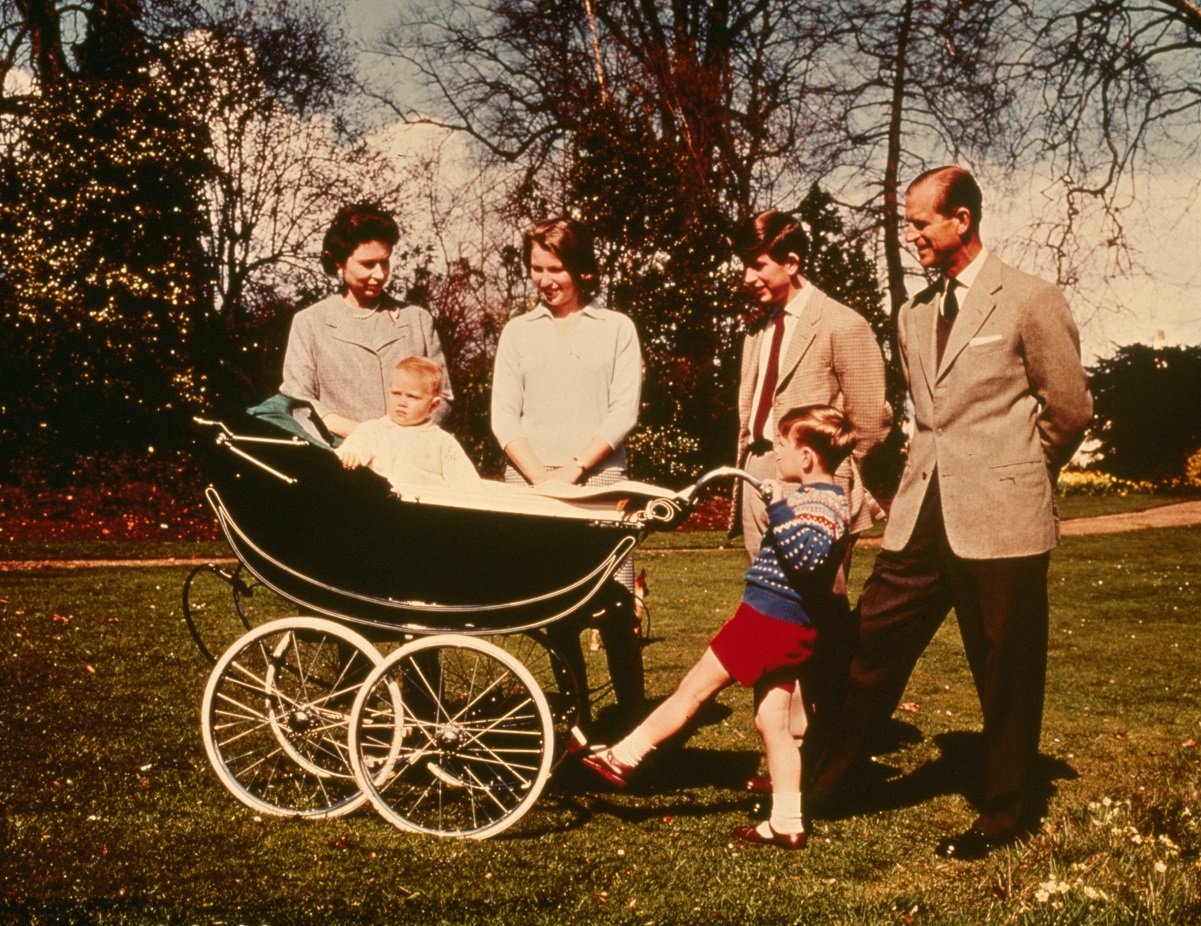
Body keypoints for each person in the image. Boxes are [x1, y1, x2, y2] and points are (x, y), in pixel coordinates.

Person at [805, 166, 1094, 860]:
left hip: (1002, 517)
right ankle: (823, 788)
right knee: (868, 643)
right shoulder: (912, 314)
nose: (911, 237)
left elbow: (1069, 410)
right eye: (908, 225)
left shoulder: (1028, 299)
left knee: (1004, 667)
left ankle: (1003, 815)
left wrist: (1017, 473)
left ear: (961, 219)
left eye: (920, 223)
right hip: (920, 514)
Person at [580, 405, 855, 850]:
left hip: (766, 623)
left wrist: (778, 508)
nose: (776, 453)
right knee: (774, 724)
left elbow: (808, 558)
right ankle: (787, 821)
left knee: (691, 692)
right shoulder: (823, 498)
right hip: (788, 627)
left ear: (806, 456)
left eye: (782, 446)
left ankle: (622, 756)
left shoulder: (821, 503)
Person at [491, 216, 645, 715]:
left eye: (555, 268)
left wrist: (577, 472)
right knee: (554, 609)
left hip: (600, 483)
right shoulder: (518, 332)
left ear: (580, 268)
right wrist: (541, 478)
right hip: (535, 488)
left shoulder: (616, 328)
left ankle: (631, 720)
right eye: (536, 269)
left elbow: (623, 410)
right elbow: (502, 417)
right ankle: (576, 721)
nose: (545, 280)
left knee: (616, 609)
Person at [733, 210, 892, 581]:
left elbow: (870, 422)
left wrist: (829, 473)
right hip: (756, 473)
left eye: (757, 265)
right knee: (767, 603)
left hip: (815, 483)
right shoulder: (758, 330)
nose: (747, 278)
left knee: (821, 608)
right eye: (745, 266)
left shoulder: (842, 323)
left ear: (791, 262)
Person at [281, 203, 452, 440]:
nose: (380, 274)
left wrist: (410, 437)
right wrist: (370, 436)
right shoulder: (309, 323)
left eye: (385, 262)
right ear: (340, 263)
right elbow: (300, 402)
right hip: (340, 459)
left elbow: (443, 395)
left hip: (411, 456)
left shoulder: (417, 320)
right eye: (368, 264)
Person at [335, 357, 481, 489]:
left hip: (425, 509)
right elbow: (353, 449)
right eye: (396, 393)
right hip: (382, 505)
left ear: (433, 405)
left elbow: (467, 483)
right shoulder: (373, 430)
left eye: (413, 397)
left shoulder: (443, 442)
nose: (402, 402)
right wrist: (351, 455)